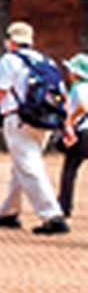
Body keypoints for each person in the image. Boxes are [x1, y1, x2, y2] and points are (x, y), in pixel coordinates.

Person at [0, 21, 69, 235]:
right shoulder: (47, 61)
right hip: (44, 120)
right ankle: (8, 212)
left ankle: (52, 216)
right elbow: (61, 96)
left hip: (19, 119)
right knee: (23, 165)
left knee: (29, 166)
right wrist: (65, 125)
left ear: (10, 41)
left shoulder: (10, 60)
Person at [58, 53, 88, 219]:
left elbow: (84, 106)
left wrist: (71, 119)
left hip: (83, 132)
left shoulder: (79, 87)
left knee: (70, 169)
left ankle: (64, 205)